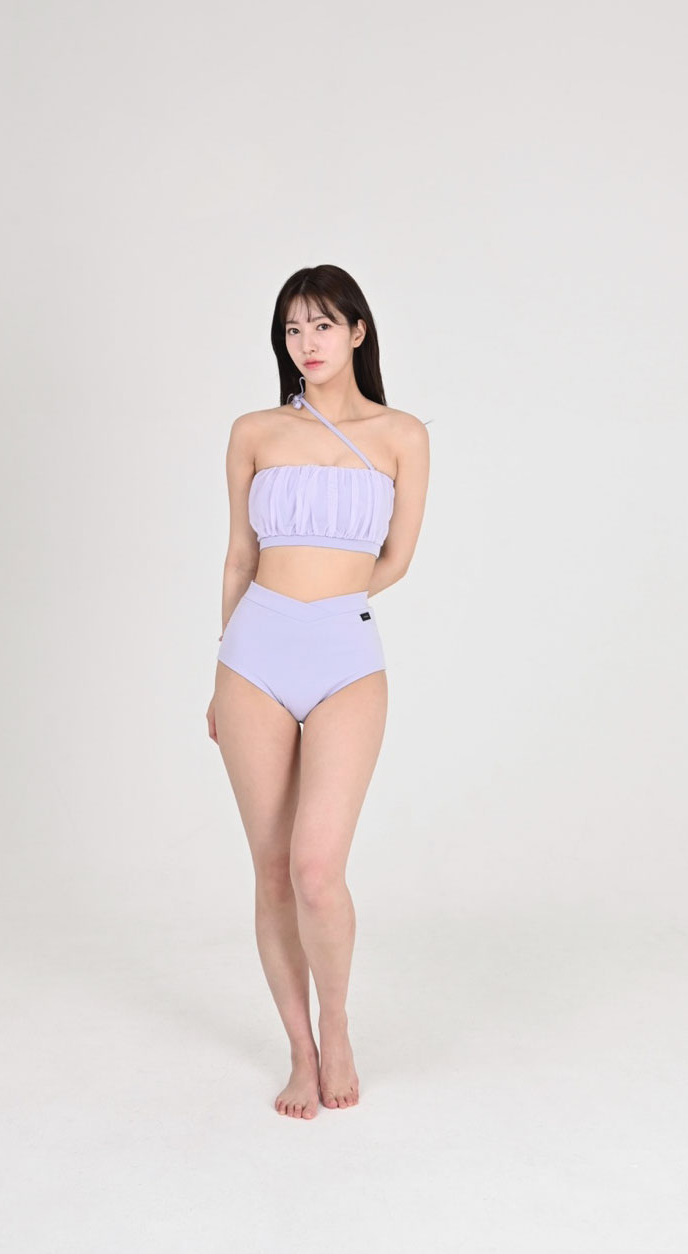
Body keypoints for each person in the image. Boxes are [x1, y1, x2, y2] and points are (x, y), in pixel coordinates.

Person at [205, 264, 429, 1118]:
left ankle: (337, 1023)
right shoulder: (254, 430)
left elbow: (396, 557)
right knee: (272, 871)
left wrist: (327, 607)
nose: (307, 342)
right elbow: (238, 556)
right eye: (293, 329)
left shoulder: (401, 434)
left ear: (358, 331)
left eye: (323, 325)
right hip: (252, 658)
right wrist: (219, 672)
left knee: (316, 869)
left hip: (344, 656)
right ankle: (299, 1051)